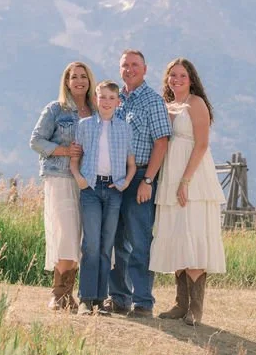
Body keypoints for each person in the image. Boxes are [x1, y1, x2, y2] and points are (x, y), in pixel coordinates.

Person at [150, 58, 227, 326]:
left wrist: (185, 181)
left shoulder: (196, 104)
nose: (177, 79)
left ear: (191, 78)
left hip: (192, 176)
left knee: (193, 233)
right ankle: (180, 304)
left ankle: (195, 308)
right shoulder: (166, 105)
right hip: (169, 175)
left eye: (182, 75)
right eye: (172, 75)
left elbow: (202, 144)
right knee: (176, 234)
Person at [107, 49, 172, 318]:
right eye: (125, 65)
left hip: (140, 179)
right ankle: (118, 297)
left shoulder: (153, 101)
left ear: (145, 69)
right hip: (113, 179)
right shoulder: (114, 100)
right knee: (115, 241)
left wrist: (148, 180)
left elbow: (161, 142)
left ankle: (143, 301)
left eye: (135, 65)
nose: (129, 69)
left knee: (139, 241)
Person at [29, 61, 96, 310]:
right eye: (73, 77)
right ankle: (59, 294)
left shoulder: (96, 110)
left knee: (81, 237)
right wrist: (65, 151)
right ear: (66, 82)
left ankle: (71, 294)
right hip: (61, 178)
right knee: (65, 234)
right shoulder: (55, 110)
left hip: (88, 181)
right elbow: (36, 141)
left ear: (90, 81)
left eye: (83, 76)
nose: (79, 81)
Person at [70, 81, 137, 315]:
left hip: (113, 189)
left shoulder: (124, 128)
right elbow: (75, 156)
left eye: (111, 98)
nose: (107, 102)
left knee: (106, 246)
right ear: (96, 100)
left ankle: (100, 299)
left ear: (118, 102)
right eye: (102, 97)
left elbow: (131, 163)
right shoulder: (85, 125)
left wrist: (125, 182)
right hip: (90, 188)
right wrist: (78, 176)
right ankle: (86, 300)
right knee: (91, 244)